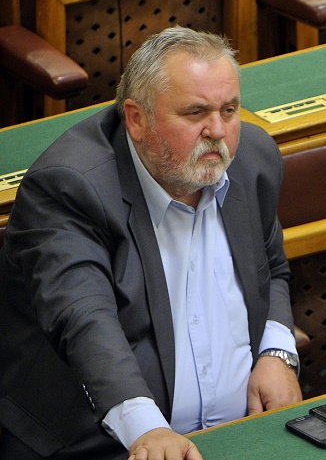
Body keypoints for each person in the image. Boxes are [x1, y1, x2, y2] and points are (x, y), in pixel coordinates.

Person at [0, 27, 302, 460]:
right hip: (102, 445)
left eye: (229, 109)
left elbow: (270, 268)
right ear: (137, 119)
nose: (218, 130)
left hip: (241, 431)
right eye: (196, 113)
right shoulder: (70, 188)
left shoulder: (252, 159)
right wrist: (148, 428)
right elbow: (84, 320)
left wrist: (276, 352)